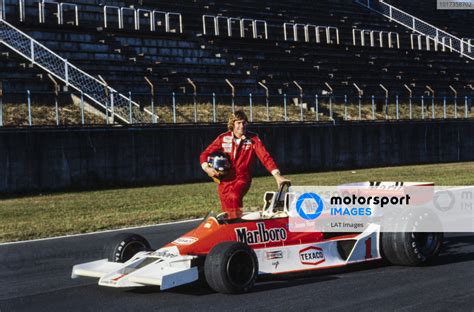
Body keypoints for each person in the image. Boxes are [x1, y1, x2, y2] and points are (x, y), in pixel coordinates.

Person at [200, 110, 290, 219]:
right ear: (232, 124)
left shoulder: (253, 139)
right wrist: (207, 168)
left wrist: (277, 176)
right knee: (227, 207)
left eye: (244, 123)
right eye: (238, 123)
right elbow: (205, 154)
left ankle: (236, 227)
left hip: (242, 179)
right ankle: (233, 227)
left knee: (233, 197)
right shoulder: (223, 138)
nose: (242, 126)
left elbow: (265, 157)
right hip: (224, 181)